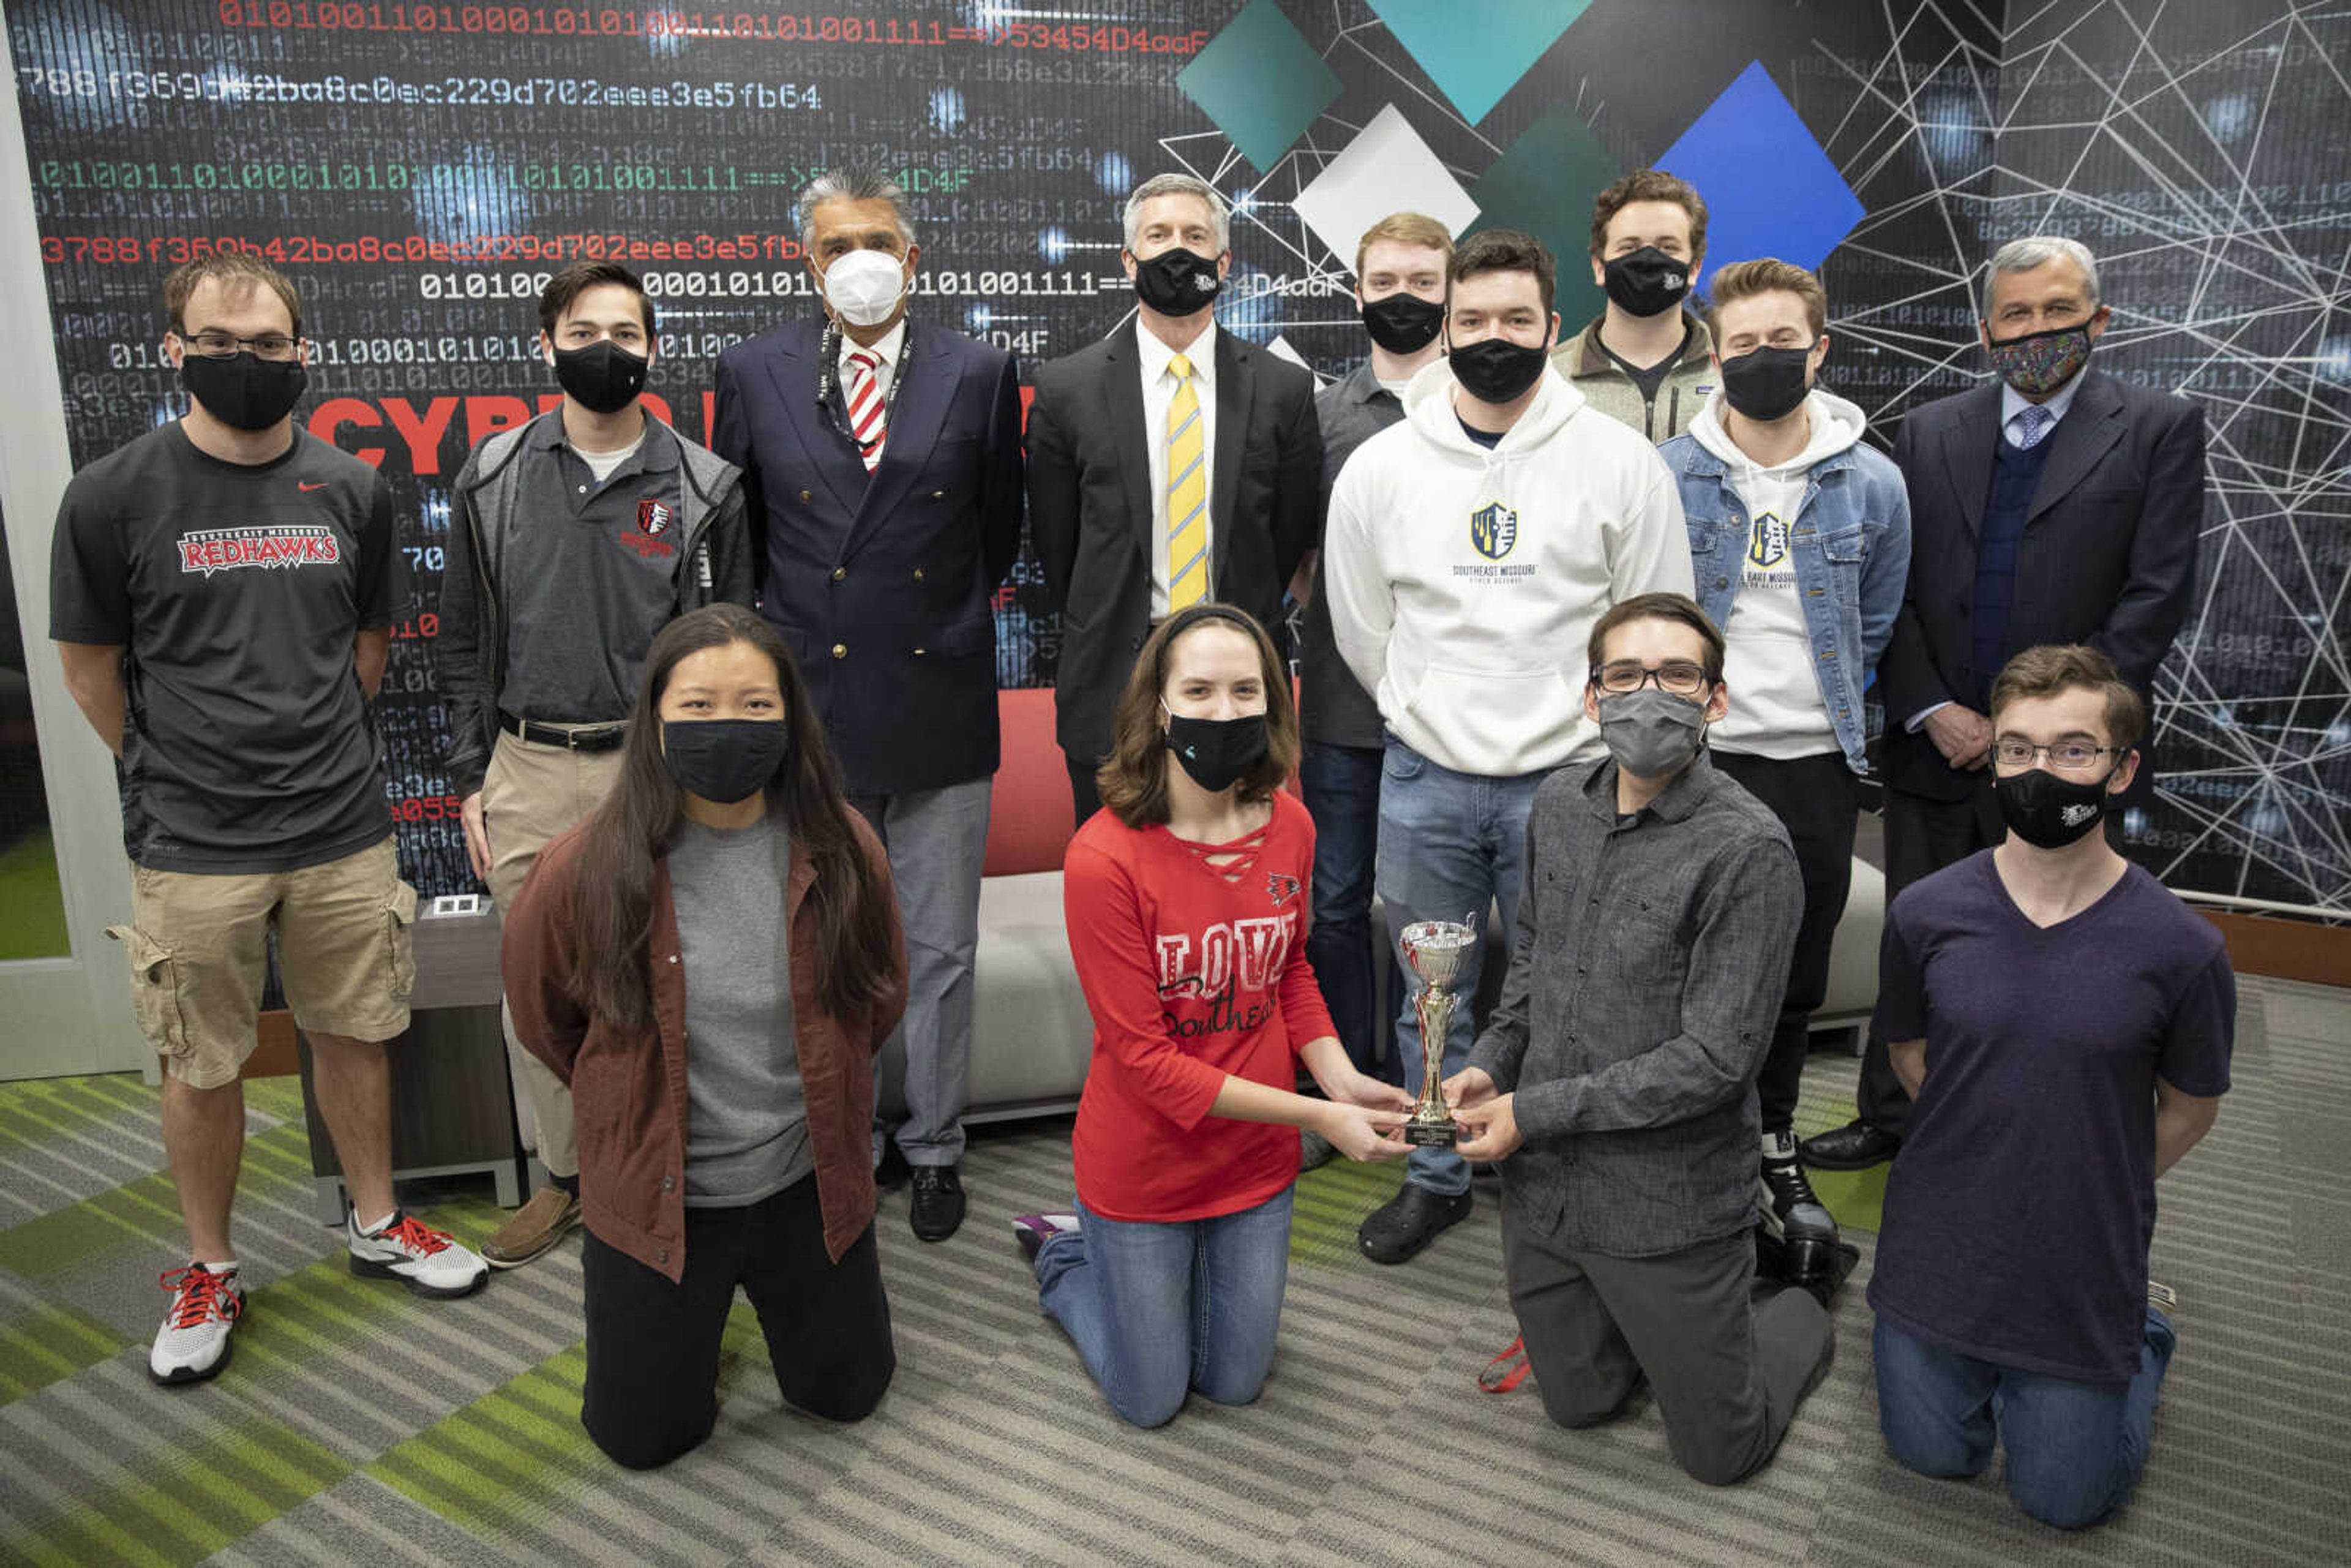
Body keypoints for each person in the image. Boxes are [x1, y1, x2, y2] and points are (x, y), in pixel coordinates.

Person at [50, 253, 487, 1386]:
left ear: (303, 353)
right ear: (174, 350)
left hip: (342, 825)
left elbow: (370, 650)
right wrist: (169, 770)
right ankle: (210, 1266)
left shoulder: (350, 486)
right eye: (220, 342)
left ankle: (379, 1220)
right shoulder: (112, 493)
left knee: (356, 1029)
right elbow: (90, 667)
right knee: (202, 1061)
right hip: (196, 844)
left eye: (267, 345)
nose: (245, 362)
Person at [1322, 228, 1693, 1264]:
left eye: (1516, 321)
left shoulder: (1621, 463)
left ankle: (1550, 1171)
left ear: (1553, 326)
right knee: (1428, 1000)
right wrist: (1418, 707)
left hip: (1574, 781)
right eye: (1473, 321)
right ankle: (1435, 1173)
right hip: (1426, 775)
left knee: (1575, 994)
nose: (1495, 339)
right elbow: (1362, 627)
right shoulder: (1382, 465)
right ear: (1445, 330)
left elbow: (1656, 620)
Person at [1805, 236, 2205, 1174]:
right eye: (2017, 316)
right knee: (1921, 930)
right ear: (1987, 329)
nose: (2037, 332)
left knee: (2053, 945)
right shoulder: (1929, 428)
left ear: (2098, 321)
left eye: (2058, 312)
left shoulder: (2156, 427)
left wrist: (2049, 734)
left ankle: (2027, 1124)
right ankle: (1893, 1117)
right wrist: (1931, 707)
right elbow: (1888, 589)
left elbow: (2156, 595)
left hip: (2061, 756)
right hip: (1935, 743)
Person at [501, 604, 908, 1469]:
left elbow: (878, 998)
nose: (728, 727)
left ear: (792, 719)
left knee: (851, 1396)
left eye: (757, 707)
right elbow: (547, 1018)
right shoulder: (583, 865)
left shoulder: (844, 849)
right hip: (657, 1196)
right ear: (653, 719)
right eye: (698, 707)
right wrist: (628, 1103)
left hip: (808, 1183)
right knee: (641, 1442)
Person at [1445, 591, 1831, 1485]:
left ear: (1716, 700)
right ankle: (1636, 1325)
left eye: (1677, 676)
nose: (1647, 695)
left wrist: (1530, 1110)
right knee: (1578, 1406)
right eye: (1624, 675)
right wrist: (1486, 1065)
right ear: (1591, 697)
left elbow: (1715, 1062)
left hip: (1667, 1205)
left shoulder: (1749, 852)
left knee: (1721, 1455)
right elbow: (1534, 970)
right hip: (1547, 1194)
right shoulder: (1558, 804)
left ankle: (1802, 1296)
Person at [714, 167, 1023, 1243]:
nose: (861, 259)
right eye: (838, 243)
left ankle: (935, 1147)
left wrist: (932, 619)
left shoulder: (979, 370)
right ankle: (848, 1137)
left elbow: (998, 537)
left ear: (912, 256)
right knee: (829, 945)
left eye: (879, 240)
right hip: (815, 707)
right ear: (807, 260)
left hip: (937, 692)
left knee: (939, 949)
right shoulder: (750, 371)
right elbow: (741, 545)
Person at [1013, 604, 1414, 1428]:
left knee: (1234, 1383)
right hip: (1144, 1167)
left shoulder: (1292, 824)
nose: (1223, 711)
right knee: (1150, 1398)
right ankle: (1065, 1254)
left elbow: (1290, 970)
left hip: (1253, 1163)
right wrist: (1321, 1114)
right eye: (1198, 690)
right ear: (1159, 708)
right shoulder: (1103, 856)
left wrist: (1344, 1076)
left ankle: (1161, 1283)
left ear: (1273, 702)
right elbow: (1149, 1065)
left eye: (1245, 690)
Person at [1868, 643, 2230, 1528]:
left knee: (2063, 1501)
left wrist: (2095, 1174)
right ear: (1992, 762)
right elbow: (1910, 1053)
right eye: (2019, 748)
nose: (2042, 770)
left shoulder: (2183, 949)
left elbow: (2190, 1107)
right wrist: (1985, 1137)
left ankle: (2144, 1336)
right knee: (1934, 1458)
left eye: (2073, 749)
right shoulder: (1926, 912)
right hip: (1938, 1237)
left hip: (2082, 1254)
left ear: (2122, 768)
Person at [441, 260, 753, 1270]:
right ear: (547, 345)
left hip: (649, 771)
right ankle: (569, 1179)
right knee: (536, 985)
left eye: (625, 330)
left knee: (673, 972)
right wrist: (469, 774)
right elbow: (459, 641)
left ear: (653, 348)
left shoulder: (706, 488)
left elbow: (731, 650)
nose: (604, 348)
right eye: (583, 330)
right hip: (527, 765)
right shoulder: (490, 477)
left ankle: (677, 1168)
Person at [1656, 258, 1911, 1291]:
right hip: (1699, 759)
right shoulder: (1666, 472)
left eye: (1783, 342)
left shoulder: (1875, 482)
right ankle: (1685, 1144)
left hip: (1814, 762)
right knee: (1687, 966)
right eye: (1742, 345)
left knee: (1793, 977)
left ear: (1821, 348)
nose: (1763, 360)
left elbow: (1878, 621)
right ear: (1716, 357)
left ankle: (1770, 1142)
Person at [1027, 173, 1322, 825]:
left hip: (1238, 682)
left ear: (1225, 261)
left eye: (1195, 236)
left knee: (1233, 882)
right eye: (1158, 236)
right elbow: (1060, 548)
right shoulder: (1066, 389)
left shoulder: (1284, 390)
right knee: (1116, 882)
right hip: (1111, 677)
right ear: (1128, 260)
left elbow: (1284, 536)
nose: (1176, 251)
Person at [1296, 211, 1454, 1144]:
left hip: (1457, 717)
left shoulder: (1488, 409)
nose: (1404, 297)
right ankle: (1355, 1088)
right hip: (1345, 714)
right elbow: (1300, 561)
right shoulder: (1319, 415)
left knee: (1442, 918)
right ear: (1356, 292)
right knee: (1338, 905)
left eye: (1422, 281)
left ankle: (1437, 1085)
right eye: (1384, 280)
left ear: (1450, 290)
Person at [1548, 170, 1715, 442]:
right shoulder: (1552, 379)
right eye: (1629, 248)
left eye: (1667, 248)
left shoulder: (1731, 371)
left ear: (1694, 268)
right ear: (1599, 267)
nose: (1648, 260)